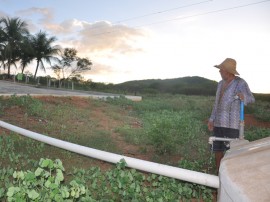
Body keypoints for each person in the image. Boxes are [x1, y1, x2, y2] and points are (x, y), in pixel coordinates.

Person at [208, 58, 255, 172]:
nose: (219, 71)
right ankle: (219, 175)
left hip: (232, 125)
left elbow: (251, 98)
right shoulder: (220, 84)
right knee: (217, 150)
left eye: (221, 70)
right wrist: (211, 119)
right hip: (219, 123)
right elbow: (216, 103)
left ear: (228, 71)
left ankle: (232, 174)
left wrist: (243, 97)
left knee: (232, 153)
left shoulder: (240, 83)